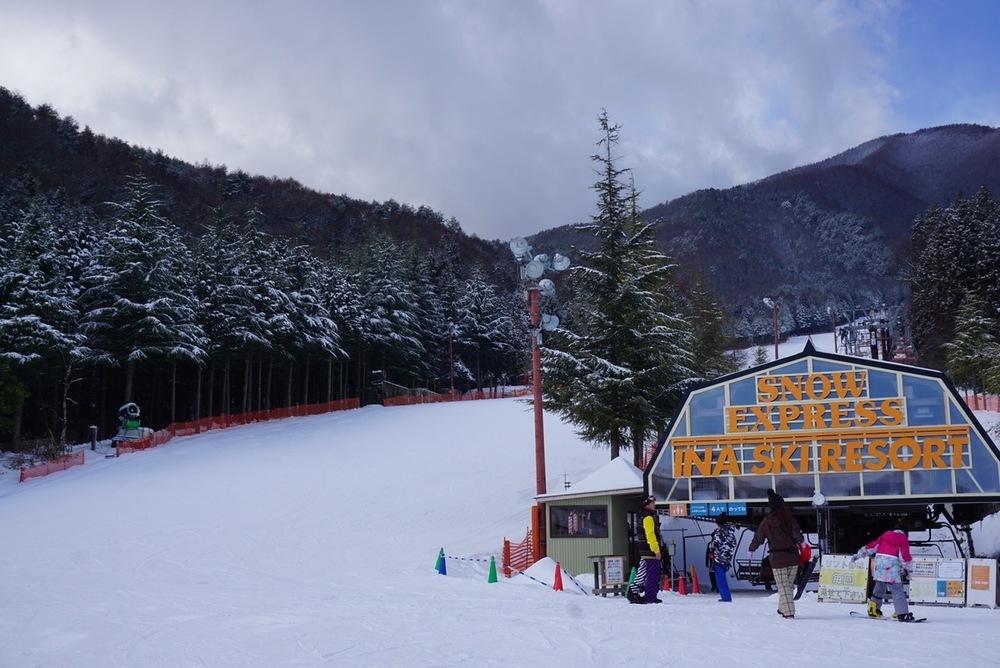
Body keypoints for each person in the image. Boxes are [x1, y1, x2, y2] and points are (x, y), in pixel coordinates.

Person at [747, 489, 805, 618]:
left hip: (777, 559)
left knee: (783, 587)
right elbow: (797, 535)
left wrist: (751, 549)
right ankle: (782, 608)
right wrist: (802, 542)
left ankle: (788, 613)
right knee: (788, 586)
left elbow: (758, 538)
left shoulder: (766, 522)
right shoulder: (790, 519)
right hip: (792, 557)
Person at [852, 518, 915, 621]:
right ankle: (902, 614)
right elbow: (904, 557)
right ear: (905, 532)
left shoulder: (885, 536)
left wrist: (859, 554)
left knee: (879, 587)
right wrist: (910, 570)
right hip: (892, 568)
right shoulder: (903, 539)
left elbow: (872, 546)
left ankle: (873, 609)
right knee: (897, 590)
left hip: (880, 565)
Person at [627, 495, 663, 604]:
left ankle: (636, 592)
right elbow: (650, 535)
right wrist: (656, 550)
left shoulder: (643, 516)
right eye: (652, 503)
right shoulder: (648, 517)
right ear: (647, 505)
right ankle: (648, 596)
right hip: (649, 551)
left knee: (643, 572)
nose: (654, 505)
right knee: (652, 574)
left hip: (645, 550)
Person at [707, 513, 737, 602]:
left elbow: (714, 544)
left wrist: (711, 546)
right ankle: (726, 596)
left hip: (719, 558)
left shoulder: (719, 532)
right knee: (722, 576)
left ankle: (726, 597)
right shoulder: (731, 533)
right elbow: (734, 544)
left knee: (720, 579)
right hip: (727, 558)